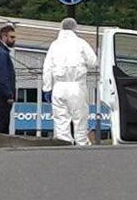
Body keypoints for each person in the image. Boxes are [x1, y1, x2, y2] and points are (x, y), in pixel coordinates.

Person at [42, 13, 99, 147]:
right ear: (75, 28)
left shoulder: (54, 45)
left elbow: (47, 68)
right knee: (80, 119)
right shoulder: (81, 43)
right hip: (77, 85)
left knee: (61, 120)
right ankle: (81, 145)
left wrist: (47, 88)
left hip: (58, 87)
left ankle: (64, 145)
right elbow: (93, 62)